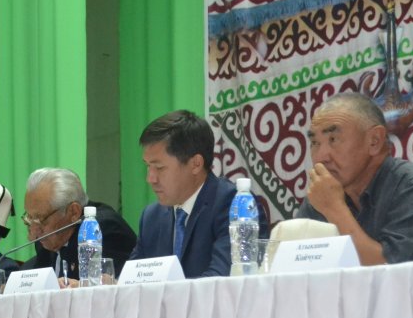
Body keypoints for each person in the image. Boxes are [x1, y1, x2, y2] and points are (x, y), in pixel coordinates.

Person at [297, 91, 413, 264]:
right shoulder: (320, 198)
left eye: (333, 139)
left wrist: (334, 210)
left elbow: (392, 273)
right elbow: (290, 268)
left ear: (374, 141)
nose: (320, 156)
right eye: (315, 143)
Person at [129, 109, 247, 278]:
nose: (150, 178)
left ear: (195, 164)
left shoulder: (233, 206)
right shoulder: (151, 218)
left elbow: (221, 281)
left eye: (159, 168)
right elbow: (133, 282)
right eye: (148, 166)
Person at [23, 168, 137, 283]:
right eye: (30, 218)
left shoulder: (101, 230)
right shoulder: (45, 239)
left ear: (74, 212)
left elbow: (102, 289)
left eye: (41, 219)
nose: (34, 231)